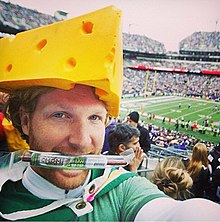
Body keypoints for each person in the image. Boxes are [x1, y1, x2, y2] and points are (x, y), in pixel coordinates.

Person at [0, 6, 219, 221]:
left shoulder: (122, 187)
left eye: (94, 117)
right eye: (60, 115)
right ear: (26, 121)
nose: (81, 141)